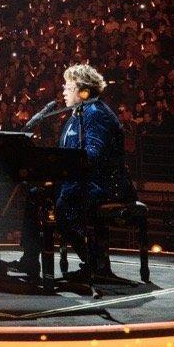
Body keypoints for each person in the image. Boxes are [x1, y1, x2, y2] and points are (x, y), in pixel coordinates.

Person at [14, 64, 134, 281]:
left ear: (84, 92)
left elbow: (93, 155)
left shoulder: (96, 114)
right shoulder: (77, 114)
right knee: (34, 194)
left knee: (64, 203)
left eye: (68, 88)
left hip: (105, 184)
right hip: (81, 180)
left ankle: (94, 263)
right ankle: (29, 260)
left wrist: (61, 169)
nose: (63, 92)